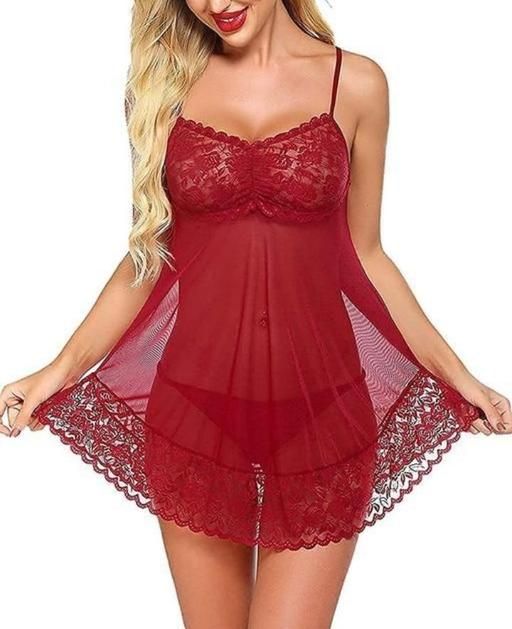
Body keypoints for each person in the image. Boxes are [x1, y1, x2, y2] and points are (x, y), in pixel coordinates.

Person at [1, 2, 510, 628]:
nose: (215, 4)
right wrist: (56, 370)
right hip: (196, 413)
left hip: (322, 414)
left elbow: (369, 256)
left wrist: (460, 376)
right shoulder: (162, 90)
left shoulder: (356, 83)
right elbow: (148, 258)